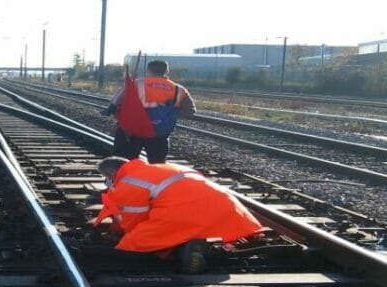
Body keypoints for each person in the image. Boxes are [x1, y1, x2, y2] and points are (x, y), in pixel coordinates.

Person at [93, 156, 263, 272]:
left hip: (186, 213)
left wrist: (119, 236)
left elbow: (131, 222)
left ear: (112, 174)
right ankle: (194, 245)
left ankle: (181, 252)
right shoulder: (161, 167)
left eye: (107, 178)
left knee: (130, 245)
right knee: (170, 229)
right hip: (227, 209)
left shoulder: (129, 183)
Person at [101, 60, 197, 164]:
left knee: (123, 163)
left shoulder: (136, 84)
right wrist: (168, 112)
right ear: (167, 71)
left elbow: (115, 104)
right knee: (158, 165)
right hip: (159, 133)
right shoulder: (179, 89)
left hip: (132, 131)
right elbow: (190, 111)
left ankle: (124, 178)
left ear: (148, 70)